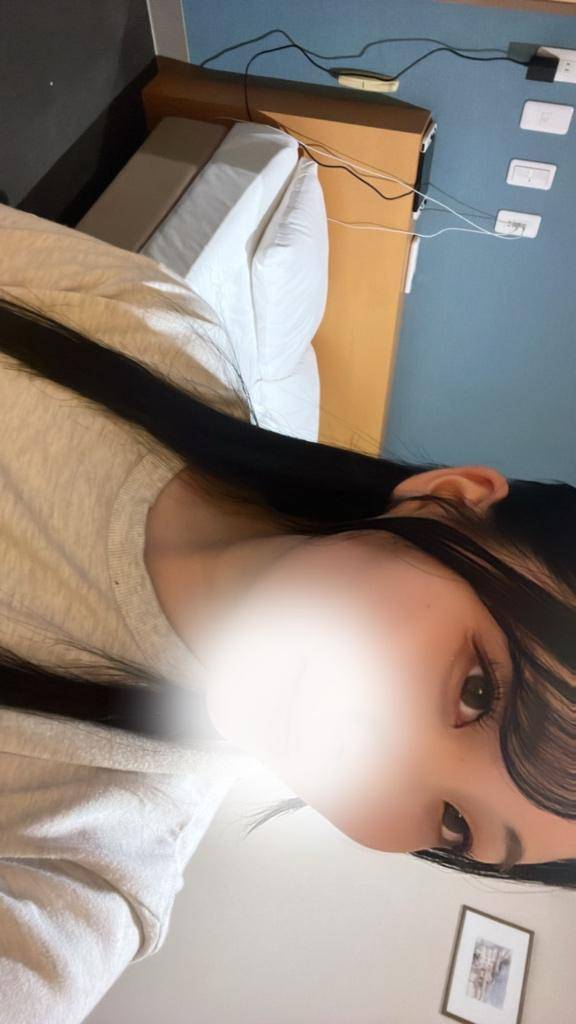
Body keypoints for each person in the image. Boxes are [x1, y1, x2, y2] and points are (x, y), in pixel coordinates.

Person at [0, 202, 574, 1023]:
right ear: (447, 499)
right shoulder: (148, 334)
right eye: (477, 690)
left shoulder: (95, 864)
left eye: (454, 824)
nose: (384, 772)